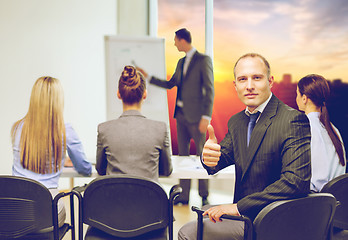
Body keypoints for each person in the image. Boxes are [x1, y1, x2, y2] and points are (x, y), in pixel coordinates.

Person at [178, 53, 311, 240]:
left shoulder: (292, 120)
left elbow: (296, 182)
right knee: (201, 216)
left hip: (273, 221)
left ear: (270, 81)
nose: (249, 86)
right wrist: (207, 157)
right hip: (244, 218)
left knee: (187, 232)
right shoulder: (237, 122)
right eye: (242, 79)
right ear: (235, 86)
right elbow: (219, 159)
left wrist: (238, 207)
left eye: (256, 78)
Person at [137, 28, 214, 205]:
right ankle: (185, 195)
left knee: (203, 156)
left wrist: (206, 116)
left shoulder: (203, 60)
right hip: (181, 117)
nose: (174, 44)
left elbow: (210, 89)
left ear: (182, 40)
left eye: (175, 40)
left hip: (197, 117)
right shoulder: (180, 62)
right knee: (183, 157)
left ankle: (204, 196)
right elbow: (171, 84)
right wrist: (148, 77)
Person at [11, 76, 92, 228]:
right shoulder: (65, 129)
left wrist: (60, 159)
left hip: (16, 211)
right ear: (58, 100)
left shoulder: (17, 128)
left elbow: (27, 159)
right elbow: (84, 168)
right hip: (47, 212)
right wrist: (64, 161)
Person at [96, 65, 173, 182]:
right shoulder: (160, 129)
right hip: (149, 199)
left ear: (118, 94)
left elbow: (100, 170)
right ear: (145, 94)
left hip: (114, 199)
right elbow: (167, 170)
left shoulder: (104, 129)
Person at [296, 74, 346, 192]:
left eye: (297, 94)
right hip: (336, 202)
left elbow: (317, 182)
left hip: (316, 203)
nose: (296, 98)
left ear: (304, 98)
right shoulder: (333, 129)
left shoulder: (305, 127)